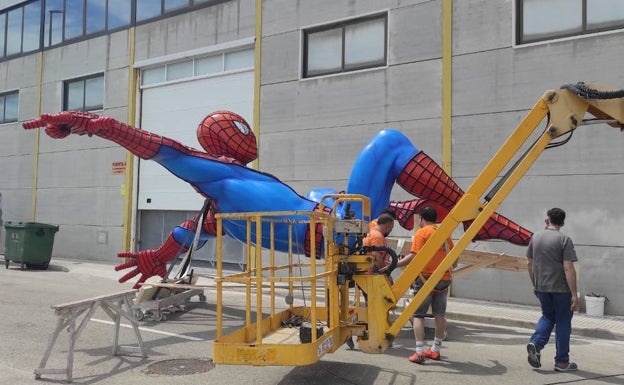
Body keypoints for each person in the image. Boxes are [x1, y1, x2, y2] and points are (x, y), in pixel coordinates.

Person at [23, 110, 532, 289]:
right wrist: (97, 126)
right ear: (224, 140)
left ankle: (436, 214)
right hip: (333, 227)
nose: (246, 134)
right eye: (237, 128)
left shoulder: (226, 205)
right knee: (388, 145)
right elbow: (160, 148)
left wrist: (158, 258)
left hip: (327, 223)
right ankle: (477, 218)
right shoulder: (213, 176)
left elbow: (187, 233)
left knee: (318, 192)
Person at [395, 206, 453, 364]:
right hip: (444, 278)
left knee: (419, 316)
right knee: (439, 315)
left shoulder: (421, 233)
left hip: (425, 278)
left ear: (421, 219)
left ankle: (419, 352)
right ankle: (435, 350)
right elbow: (454, 258)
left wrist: (396, 264)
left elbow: (414, 256)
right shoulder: (444, 234)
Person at [526, 208, 579, 372]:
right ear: (562, 223)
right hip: (561, 289)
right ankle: (562, 362)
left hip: (542, 286)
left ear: (547, 220)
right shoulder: (564, 240)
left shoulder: (535, 237)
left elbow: (529, 262)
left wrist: (535, 283)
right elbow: (568, 267)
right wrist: (574, 294)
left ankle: (536, 343)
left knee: (547, 316)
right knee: (563, 322)